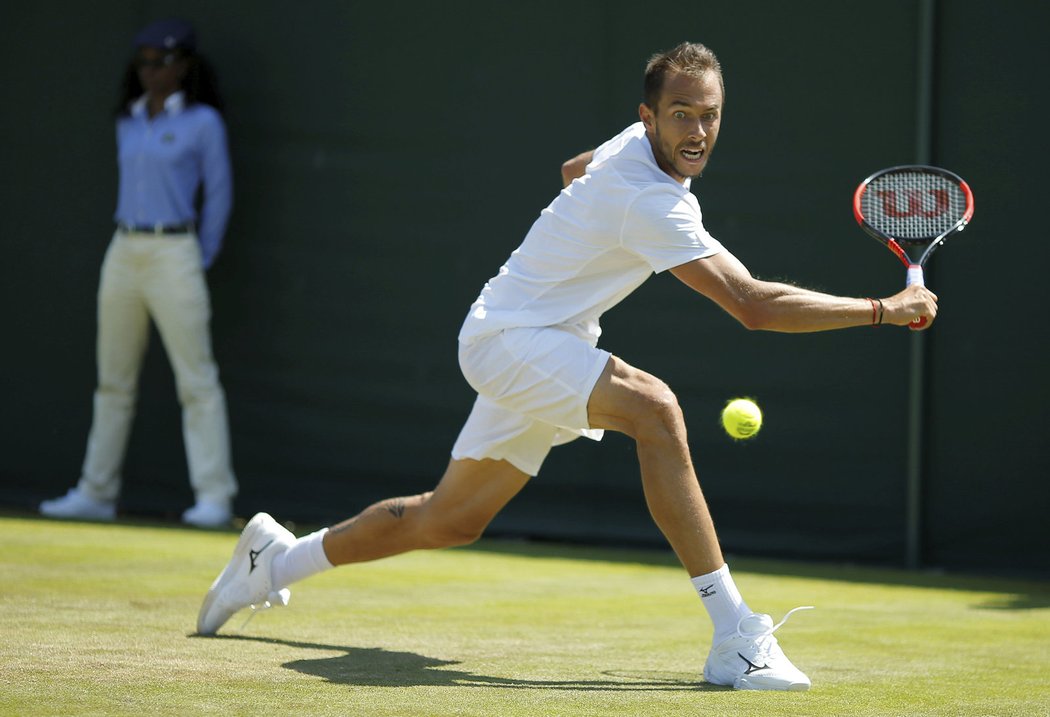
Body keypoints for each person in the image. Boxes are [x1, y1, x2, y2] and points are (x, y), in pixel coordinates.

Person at [196, 42, 938, 690]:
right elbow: (751, 304)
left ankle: (275, 559)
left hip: (537, 334)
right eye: (681, 113)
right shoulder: (654, 202)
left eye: (709, 114)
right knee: (657, 410)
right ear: (650, 115)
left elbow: (571, 168)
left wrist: (576, 237)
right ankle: (736, 637)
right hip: (512, 337)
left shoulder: (631, 148)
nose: (698, 130)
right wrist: (883, 308)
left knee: (448, 518)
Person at [40, 19, 238, 528]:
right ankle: (96, 492)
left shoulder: (204, 123)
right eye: (143, 62)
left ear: (184, 66)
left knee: (197, 380)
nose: (151, 71)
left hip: (176, 251)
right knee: (113, 381)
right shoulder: (127, 120)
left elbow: (218, 195)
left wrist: (198, 255)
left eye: (161, 61)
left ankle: (215, 497)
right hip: (123, 249)